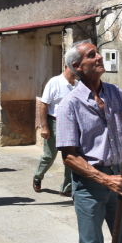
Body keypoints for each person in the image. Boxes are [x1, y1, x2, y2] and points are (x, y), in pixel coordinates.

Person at [56, 40, 122, 243]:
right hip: (90, 185)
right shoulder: (69, 105)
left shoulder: (115, 94)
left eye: (97, 52)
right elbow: (70, 157)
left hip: (117, 180)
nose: (99, 57)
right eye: (91, 55)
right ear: (77, 65)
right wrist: (106, 180)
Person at [33, 65, 79, 197]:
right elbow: (44, 105)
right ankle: (38, 176)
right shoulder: (54, 82)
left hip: (71, 125)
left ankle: (66, 188)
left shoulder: (77, 85)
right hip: (54, 122)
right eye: (74, 67)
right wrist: (44, 126)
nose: (77, 70)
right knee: (49, 155)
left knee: (71, 157)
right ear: (65, 66)